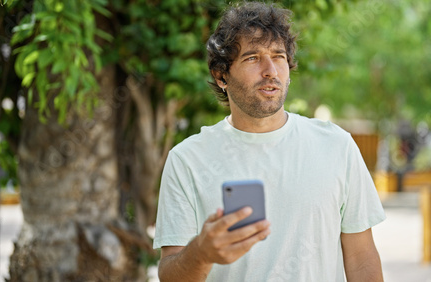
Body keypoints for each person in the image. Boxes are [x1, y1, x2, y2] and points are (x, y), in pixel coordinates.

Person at [153, 2, 386, 281]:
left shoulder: (337, 146)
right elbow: (170, 274)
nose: (270, 71)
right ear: (221, 75)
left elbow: (361, 257)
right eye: (252, 58)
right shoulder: (187, 160)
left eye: (278, 56)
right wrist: (201, 254)